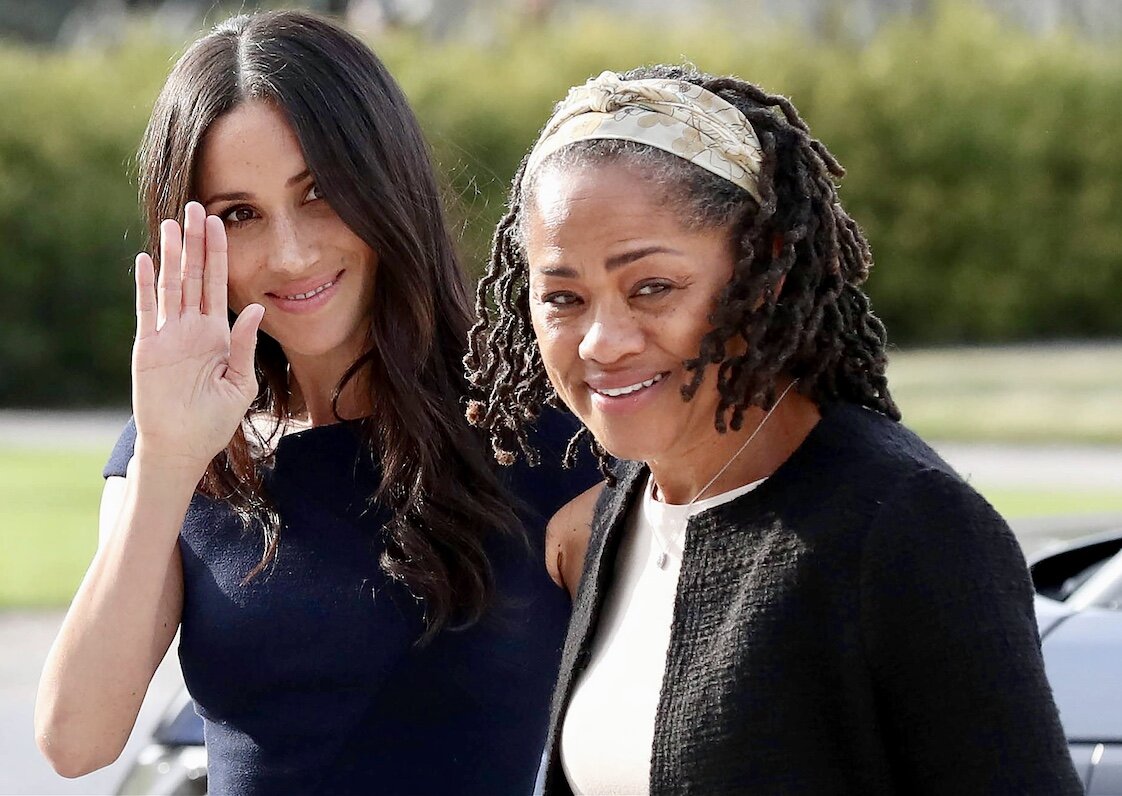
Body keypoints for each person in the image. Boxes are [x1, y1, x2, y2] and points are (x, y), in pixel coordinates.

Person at [465, 66, 1084, 794]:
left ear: (767, 273)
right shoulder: (617, 517)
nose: (603, 341)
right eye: (563, 298)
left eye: (653, 288)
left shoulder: (905, 527)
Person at [34, 11, 598, 795]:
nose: (291, 253)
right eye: (239, 215)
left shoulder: (542, 433)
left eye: (321, 194)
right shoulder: (178, 445)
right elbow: (76, 741)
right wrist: (167, 458)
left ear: (386, 182)